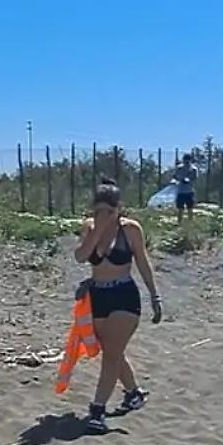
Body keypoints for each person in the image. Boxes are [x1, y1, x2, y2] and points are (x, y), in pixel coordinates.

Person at [69, 180, 162, 431]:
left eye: (109, 211)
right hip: (98, 297)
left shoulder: (130, 230)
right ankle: (133, 393)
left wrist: (155, 296)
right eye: (99, 211)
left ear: (119, 208)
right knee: (113, 351)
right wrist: (97, 231)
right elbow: (80, 257)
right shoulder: (90, 227)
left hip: (124, 296)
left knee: (111, 353)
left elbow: (143, 263)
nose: (104, 216)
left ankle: (97, 409)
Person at [174, 154, 198, 219]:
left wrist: (189, 179)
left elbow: (195, 178)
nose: (186, 162)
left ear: (190, 160)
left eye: (188, 160)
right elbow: (175, 176)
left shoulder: (194, 169)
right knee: (180, 209)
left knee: (190, 208)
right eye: (185, 160)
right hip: (181, 191)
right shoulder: (179, 168)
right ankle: (179, 222)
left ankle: (190, 222)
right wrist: (180, 179)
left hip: (189, 191)